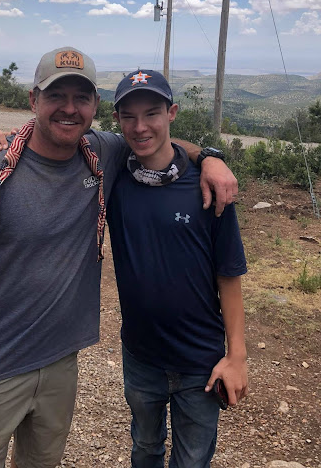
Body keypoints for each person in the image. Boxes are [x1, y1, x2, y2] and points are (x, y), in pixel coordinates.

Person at [0, 47, 237, 468]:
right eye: (56, 95)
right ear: (33, 100)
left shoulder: (102, 153)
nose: (69, 108)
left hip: (61, 363)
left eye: (81, 97)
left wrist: (210, 158)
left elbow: (155, 140)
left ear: (95, 106)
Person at [107, 69, 248, 468]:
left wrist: (237, 356)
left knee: (192, 461)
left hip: (200, 361)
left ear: (172, 113)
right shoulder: (113, 180)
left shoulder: (209, 188)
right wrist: (7, 141)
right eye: (129, 117)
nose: (140, 127)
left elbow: (229, 276)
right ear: (117, 120)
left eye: (152, 113)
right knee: (145, 448)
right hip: (141, 355)